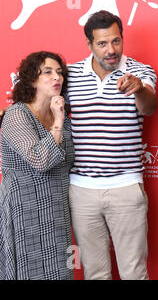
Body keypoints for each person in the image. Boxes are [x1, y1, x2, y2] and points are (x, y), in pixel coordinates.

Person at [67, 10, 157, 280]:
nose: (111, 50)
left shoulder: (140, 71)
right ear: (89, 44)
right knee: (95, 273)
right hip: (82, 190)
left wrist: (138, 88)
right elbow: (43, 110)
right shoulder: (70, 75)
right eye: (102, 43)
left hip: (126, 188)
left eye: (116, 41)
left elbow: (150, 107)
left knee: (134, 272)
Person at [0, 51, 74, 279]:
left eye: (59, 73)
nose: (57, 78)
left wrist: (59, 119)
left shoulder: (61, 116)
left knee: (60, 271)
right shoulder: (17, 114)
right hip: (25, 209)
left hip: (57, 210)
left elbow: (68, 161)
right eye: (48, 72)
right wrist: (58, 121)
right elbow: (40, 160)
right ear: (32, 79)